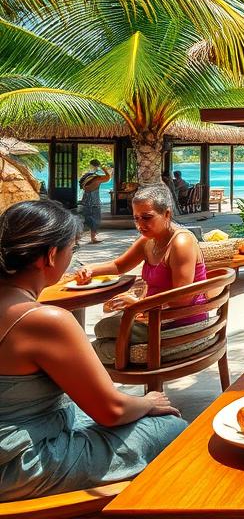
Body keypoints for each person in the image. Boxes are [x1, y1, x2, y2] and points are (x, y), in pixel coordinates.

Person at [0, 200, 185, 500]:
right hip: (19, 464)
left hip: (18, 441)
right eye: (72, 249)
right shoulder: (44, 320)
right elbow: (112, 411)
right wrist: (148, 401)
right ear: (50, 256)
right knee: (170, 427)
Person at [72, 185, 208, 365]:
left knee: (102, 334)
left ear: (167, 214)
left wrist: (139, 304)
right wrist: (89, 269)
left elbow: (182, 299)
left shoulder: (181, 242)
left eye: (147, 217)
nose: (140, 224)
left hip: (180, 325)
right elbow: (119, 265)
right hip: (155, 318)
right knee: (99, 338)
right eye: (136, 218)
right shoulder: (148, 241)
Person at [78, 159, 111, 244]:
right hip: (94, 201)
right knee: (95, 218)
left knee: (86, 218)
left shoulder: (87, 176)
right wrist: (104, 169)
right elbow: (108, 178)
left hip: (85, 200)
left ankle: (77, 239)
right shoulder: (96, 178)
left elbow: (84, 187)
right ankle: (93, 238)